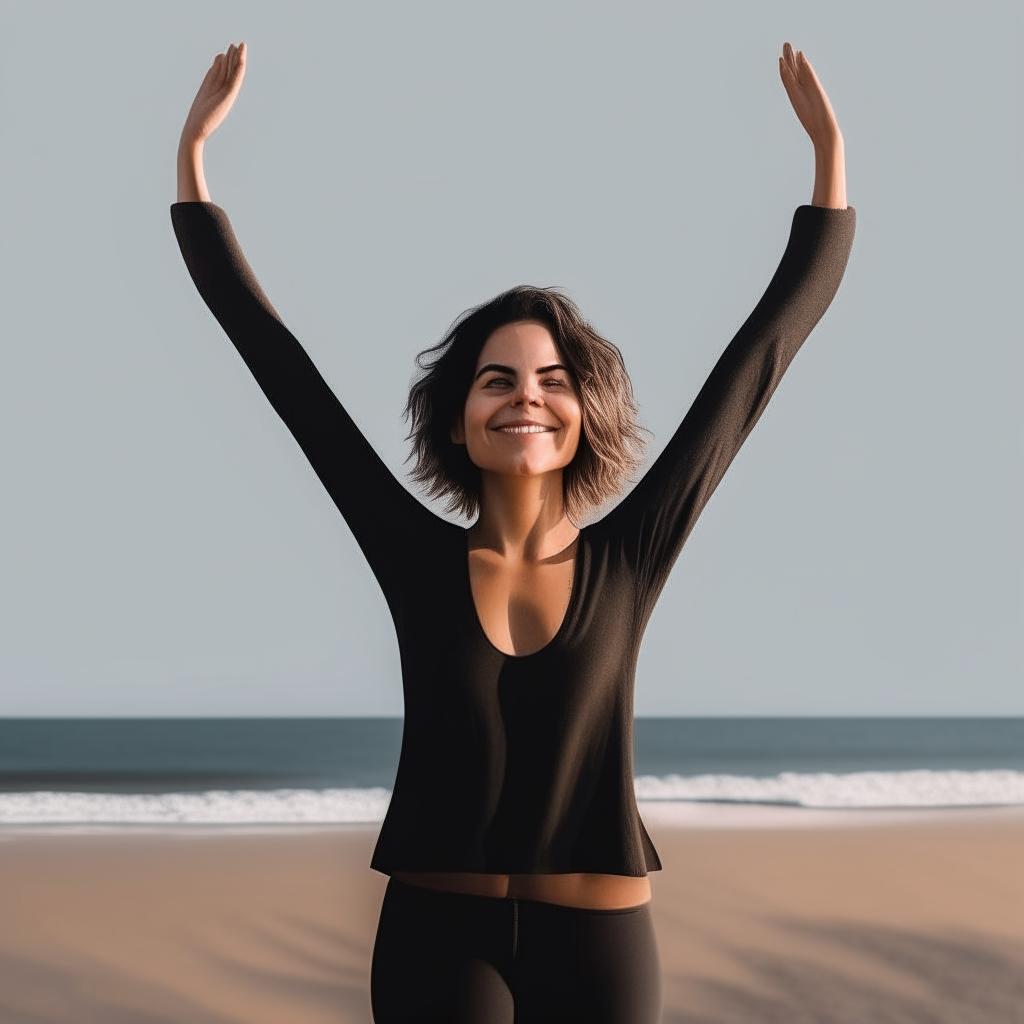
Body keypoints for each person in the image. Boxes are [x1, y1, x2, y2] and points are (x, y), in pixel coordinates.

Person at [172, 39, 854, 1024]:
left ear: (585, 413)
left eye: (551, 380)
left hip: (602, 940)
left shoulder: (632, 552)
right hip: (436, 938)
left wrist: (827, 157)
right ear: (458, 416)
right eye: (497, 379)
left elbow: (762, 353)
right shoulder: (414, 557)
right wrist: (192, 158)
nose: (524, 398)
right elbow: (276, 361)